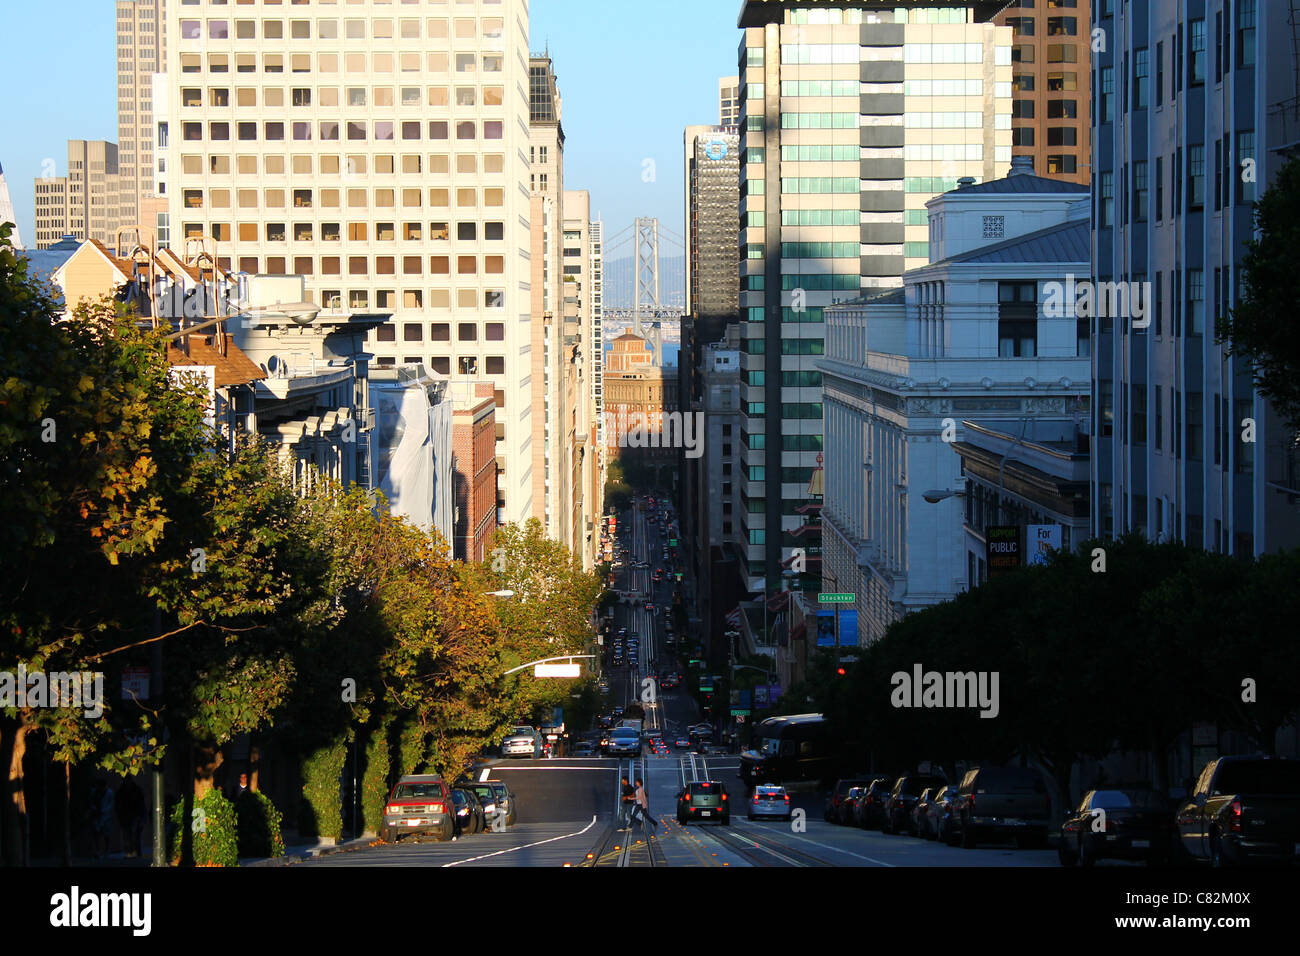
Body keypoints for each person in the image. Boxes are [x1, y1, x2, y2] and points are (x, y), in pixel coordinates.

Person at [115, 776, 146, 859]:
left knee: (134, 834)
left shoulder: (135, 790)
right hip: (126, 815)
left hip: (134, 815)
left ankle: (134, 851)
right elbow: (118, 804)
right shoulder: (121, 791)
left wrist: (140, 815)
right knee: (128, 835)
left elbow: (141, 804)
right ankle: (130, 851)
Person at [90, 779, 115, 859]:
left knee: (106, 834)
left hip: (105, 816)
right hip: (97, 816)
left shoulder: (109, 793)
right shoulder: (94, 792)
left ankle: (106, 851)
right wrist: (95, 809)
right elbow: (91, 802)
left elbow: (110, 804)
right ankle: (97, 851)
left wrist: (103, 810)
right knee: (97, 834)